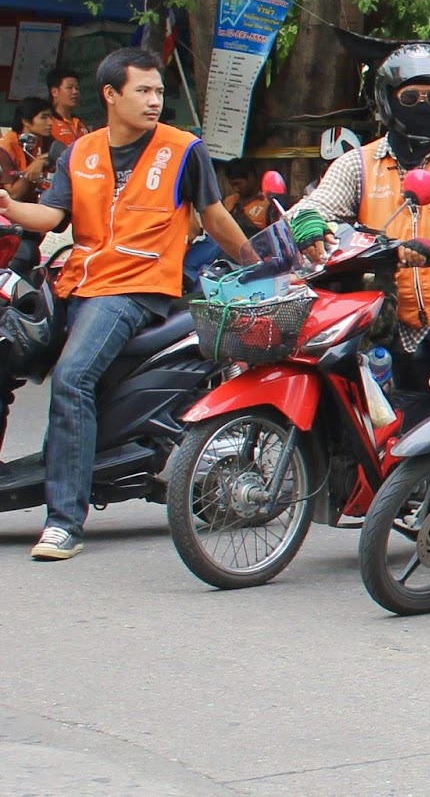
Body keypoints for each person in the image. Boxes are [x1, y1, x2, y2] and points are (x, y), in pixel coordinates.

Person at [0, 48, 255, 561]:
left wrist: (258, 262)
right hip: (76, 283)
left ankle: (64, 522)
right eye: (144, 90)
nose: (155, 100)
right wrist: (10, 206)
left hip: (135, 289)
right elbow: (52, 216)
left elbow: (213, 216)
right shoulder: (81, 152)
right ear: (111, 95)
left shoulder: (183, 149)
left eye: (158, 91)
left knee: (73, 378)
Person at [290, 44, 430, 581]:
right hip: (393, 317)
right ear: (387, 102)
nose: (424, 107)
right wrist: (308, 223)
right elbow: (313, 205)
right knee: (379, 409)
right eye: (411, 97)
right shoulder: (359, 162)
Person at [1, 98, 57, 202]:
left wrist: (41, 160)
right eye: (44, 117)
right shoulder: (5, 148)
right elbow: (13, 195)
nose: (50, 122)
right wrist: (31, 172)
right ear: (26, 121)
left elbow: (63, 153)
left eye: (50, 117)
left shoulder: (47, 140)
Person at [47, 68, 90, 147]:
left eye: (77, 88)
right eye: (69, 88)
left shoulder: (80, 123)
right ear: (54, 92)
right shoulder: (47, 122)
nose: (75, 92)